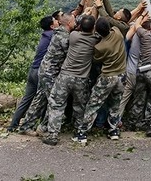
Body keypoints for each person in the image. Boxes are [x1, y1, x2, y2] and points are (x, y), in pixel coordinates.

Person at [42, 14, 100, 146]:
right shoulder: (95, 40)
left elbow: (73, 28)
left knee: (56, 104)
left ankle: (53, 135)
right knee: (79, 107)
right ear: (93, 28)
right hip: (82, 79)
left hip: (65, 76)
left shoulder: (73, 36)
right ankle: (79, 132)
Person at [73, 17, 126, 144]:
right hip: (122, 76)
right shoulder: (118, 34)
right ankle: (113, 130)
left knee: (93, 105)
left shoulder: (100, 47)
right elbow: (112, 20)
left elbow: (96, 60)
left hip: (107, 77)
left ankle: (82, 133)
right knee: (115, 104)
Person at [18, 11, 72, 135]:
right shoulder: (63, 37)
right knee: (55, 100)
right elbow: (70, 55)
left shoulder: (57, 32)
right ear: (69, 23)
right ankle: (44, 127)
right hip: (49, 73)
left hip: (44, 70)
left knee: (40, 99)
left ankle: (26, 126)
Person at [7, 12, 60, 132]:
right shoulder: (53, 35)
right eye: (55, 20)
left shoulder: (45, 35)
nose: (58, 21)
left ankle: (13, 125)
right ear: (52, 26)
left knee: (27, 99)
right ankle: (41, 125)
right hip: (41, 71)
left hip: (32, 70)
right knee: (44, 99)